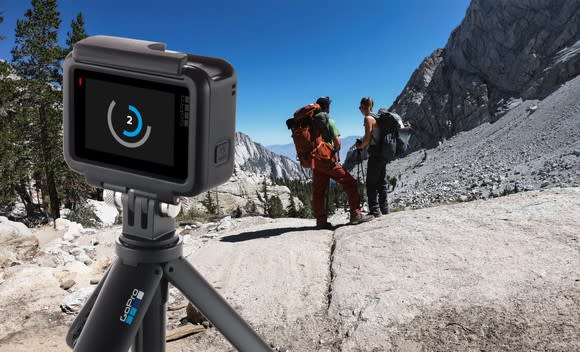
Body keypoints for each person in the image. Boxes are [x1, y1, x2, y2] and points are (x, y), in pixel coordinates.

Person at [312, 96, 373, 229]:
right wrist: (335, 151)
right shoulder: (329, 121)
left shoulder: (310, 123)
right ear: (327, 107)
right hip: (328, 160)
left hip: (315, 162)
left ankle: (321, 222)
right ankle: (356, 214)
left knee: (318, 192)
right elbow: (338, 142)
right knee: (350, 183)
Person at [355, 96, 389, 217]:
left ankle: (374, 210)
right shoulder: (377, 117)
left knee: (371, 183)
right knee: (381, 182)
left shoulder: (368, 119)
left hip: (375, 153)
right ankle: (384, 209)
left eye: (360, 107)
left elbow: (368, 138)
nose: (360, 110)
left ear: (365, 107)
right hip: (384, 152)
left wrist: (360, 146)